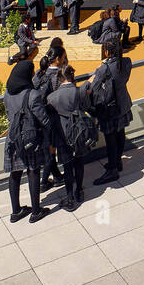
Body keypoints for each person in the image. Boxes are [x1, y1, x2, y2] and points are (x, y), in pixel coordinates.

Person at [2, 52, 53, 224]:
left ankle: (16, 211)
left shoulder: (7, 94)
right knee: (33, 171)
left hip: (13, 138)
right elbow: (43, 118)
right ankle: (36, 211)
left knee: (15, 174)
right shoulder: (32, 95)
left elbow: (9, 114)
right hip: (30, 139)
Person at [46, 65, 93, 210]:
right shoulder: (79, 92)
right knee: (79, 162)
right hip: (79, 132)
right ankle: (79, 190)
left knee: (67, 167)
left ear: (60, 79)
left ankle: (70, 197)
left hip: (63, 135)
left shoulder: (51, 97)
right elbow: (86, 107)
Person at [90, 41, 132, 185]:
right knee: (120, 133)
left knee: (110, 139)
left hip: (110, 108)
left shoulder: (104, 69)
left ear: (107, 52)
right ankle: (117, 161)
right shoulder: (126, 62)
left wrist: (97, 73)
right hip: (123, 103)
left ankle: (113, 169)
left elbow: (94, 87)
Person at [36, 40, 68, 192]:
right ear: (57, 59)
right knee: (52, 149)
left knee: (49, 149)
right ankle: (43, 182)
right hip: (53, 116)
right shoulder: (58, 75)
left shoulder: (40, 72)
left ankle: (56, 176)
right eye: (63, 57)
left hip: (41, 116)